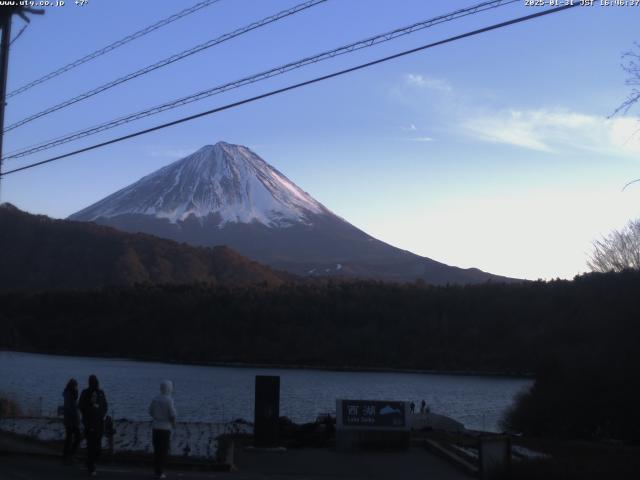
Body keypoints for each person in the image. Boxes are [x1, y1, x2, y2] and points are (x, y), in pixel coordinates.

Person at [78, 375, 108, 477]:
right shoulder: (85, 393)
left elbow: (105, 406)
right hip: (89, 424)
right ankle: (91, 467)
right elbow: (81, 406)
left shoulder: (101, 393)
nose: (95, 383)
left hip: (99, 424)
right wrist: (90, 408)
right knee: (91, 446)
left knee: (98, 447)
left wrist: (101, 414)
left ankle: (90, 462)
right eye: (93, 381)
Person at [149, 380, 176, 480]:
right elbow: (172, 415)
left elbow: (150, 411)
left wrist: (157, 417)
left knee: (156, 450)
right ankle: (160, 472)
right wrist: (173, 424)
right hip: (165, 428)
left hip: (155, 427)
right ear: (169, 388)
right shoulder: (169, 400)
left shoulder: (155, 399)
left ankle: (156, 471)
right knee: (163, 451)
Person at [62, 378, 81, 464]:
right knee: (71, 438)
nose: (76, 387)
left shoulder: (72, 394)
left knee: (74, 438)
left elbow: (74, 405)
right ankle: (67, 456)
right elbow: (68, 407)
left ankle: (69, 455)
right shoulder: (68, 394)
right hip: (70, 420)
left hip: (73, 420)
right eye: (75, 386)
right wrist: (74, 415)